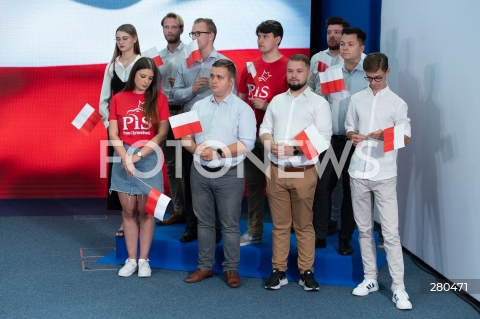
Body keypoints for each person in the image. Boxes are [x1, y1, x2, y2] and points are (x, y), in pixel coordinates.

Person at [345, 52, 412, 310]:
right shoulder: (357, 98)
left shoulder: (397, 103)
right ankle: (370, 278)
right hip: (357, 171)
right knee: (363, 230)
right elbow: (349, 125)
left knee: (391, 233)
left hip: (384, 173)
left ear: (388, 73)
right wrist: (353, 135)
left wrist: (385, 135)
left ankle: (399, 288)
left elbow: (406, 138)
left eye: (378, 78)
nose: (373, 82)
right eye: (369, 78)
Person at [259, 54, 332, 291]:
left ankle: (306, 271)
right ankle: (278, 270)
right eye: (290, 71)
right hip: (276, 170)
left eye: (299, 71)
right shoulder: (276, 101)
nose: (294, 75)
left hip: (304, 170)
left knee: (303, 224)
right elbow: (265, 128)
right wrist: (270, 144)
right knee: (279, 225)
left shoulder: (319, 103)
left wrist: (295, 148)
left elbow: (324, 139)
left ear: (308, 74)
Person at [182, 59, 256, 288]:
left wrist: (217, 152)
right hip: (199, 171)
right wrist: (197, 150)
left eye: (219, 77)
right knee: (204, 222)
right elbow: (185, 137)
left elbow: (248, 143)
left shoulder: (243, 109)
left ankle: (231, 269)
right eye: (212, 76)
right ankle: (204, 267)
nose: (213, 80)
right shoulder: (197, 106)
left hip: (229, 172)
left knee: (230, 224)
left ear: (231, 81)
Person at [172, 18, 235, 243]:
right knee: (190, 177)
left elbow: (232, 98)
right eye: (192, 33)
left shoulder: (224, 62)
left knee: (215, 177)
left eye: (198, 33)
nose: (194, 38)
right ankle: (192, 225)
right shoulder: (184, 63)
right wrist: (193, 89)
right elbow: (173, 94)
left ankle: (216, 226)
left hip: (215, 125)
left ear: (211, 36)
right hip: (188, 122)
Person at [108, 57, 170, 277]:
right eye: (142, 76)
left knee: (147, 212)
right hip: (123, 155)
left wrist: (138, 156)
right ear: (134, 74)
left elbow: (162, 133)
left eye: (150, 78)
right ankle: (131, 259)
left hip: (149, 157)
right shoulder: (119, 98)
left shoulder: (159, 99)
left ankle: (144, 260)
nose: (146, 81)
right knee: (128, 211)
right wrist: (125, 157)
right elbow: (113, 133)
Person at [312, 28, 368, 255]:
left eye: (350, 44)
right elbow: (320, 103)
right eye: (342, 44)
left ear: (361, 48)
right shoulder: (331, 72)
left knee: (350, 190)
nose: (344, 47)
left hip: (358, 143)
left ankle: (345, 238)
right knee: (322, 188)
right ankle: (320, 235)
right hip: (333, 140)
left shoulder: (370, 73)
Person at [237, 20, 289, 246]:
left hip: (277, 138)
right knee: (254, 185)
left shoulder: (290, 67)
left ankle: (283, 233)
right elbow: (240, 100)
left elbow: (294, 108)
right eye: (258, 36)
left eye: (265, 36)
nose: (260, 40)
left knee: (279, 187)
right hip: (250, 136)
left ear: (277, 39)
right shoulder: (249, 67)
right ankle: (254, 230)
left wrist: (268, 106)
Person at [99, 24, 142, 237]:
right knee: (121, 176)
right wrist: (110, 126)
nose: (121, 42)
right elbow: (103, 102)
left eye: (125, 38)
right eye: (118, 39)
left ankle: (143, 217)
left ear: (134, 39)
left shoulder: (144, 63)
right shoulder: (111, 66)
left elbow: (151, 97)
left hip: (140, 131)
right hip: (117, 134)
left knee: (142, 173)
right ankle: (126, 220)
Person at [155, 12, 187, 227]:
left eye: (173, 27)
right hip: (166, 113)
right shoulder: (157, 57)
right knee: (172, 165)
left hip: (186, 112)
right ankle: (179, 210)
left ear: (181, 30)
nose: (169, 31)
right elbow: (153, 86)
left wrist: (184, 81)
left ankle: (196, 213)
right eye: (166, 27)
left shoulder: (191, 54)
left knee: (192, 163)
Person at [307, 17, 351, 91]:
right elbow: (310, 84)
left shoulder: (353, 59)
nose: (331, 36)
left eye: (336, 32)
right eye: (329, 32)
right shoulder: (317, 57)